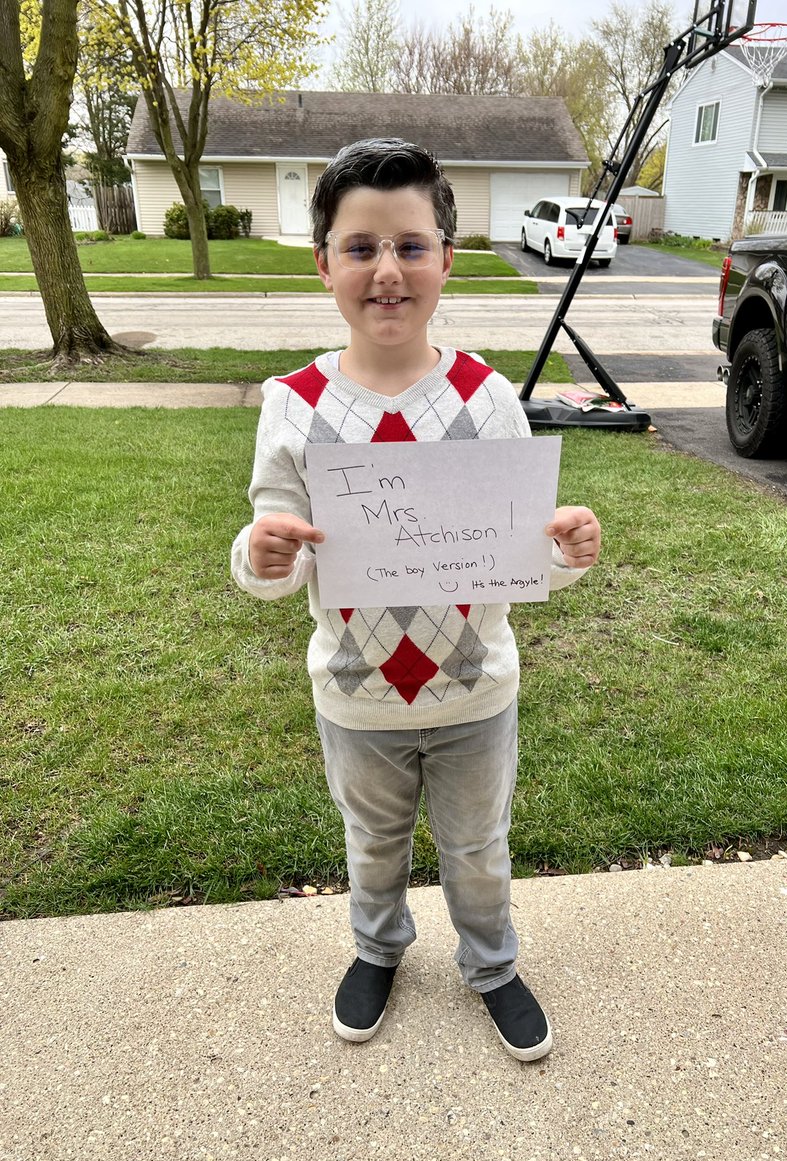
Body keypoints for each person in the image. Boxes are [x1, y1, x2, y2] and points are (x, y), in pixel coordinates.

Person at [231, 138, 601, 1062]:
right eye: (361, 248)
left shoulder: (484, 398)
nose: (387, 270)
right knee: (373, 842)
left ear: (446, 255)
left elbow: (521, 558)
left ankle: (491, 962)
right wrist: (261, 553)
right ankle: (377, 948)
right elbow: (269, 553)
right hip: (356, 693)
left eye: (410, 245)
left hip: (475, 688)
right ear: (324, 266)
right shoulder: (296, 404)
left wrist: (565, 555)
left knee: (478, 847)